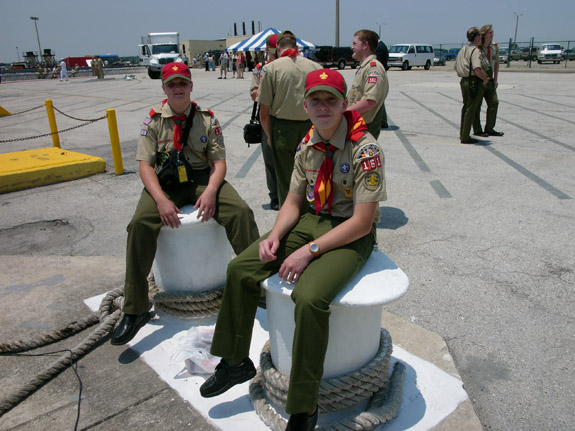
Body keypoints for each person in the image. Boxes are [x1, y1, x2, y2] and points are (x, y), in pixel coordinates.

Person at [200, 69, 387, 431]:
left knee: (310, 296)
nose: (322, 106)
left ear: (344, 103)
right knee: (241, 268)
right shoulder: (308, 142)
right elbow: (292, 200)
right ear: (305, 105)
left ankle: (304, 406)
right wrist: (275, 235)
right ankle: (235, 361)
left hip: (348, 233)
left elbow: (363, 222)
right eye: (315, 100)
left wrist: (310, 251)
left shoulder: (366, 149)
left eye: (330, 99)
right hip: (311, 220)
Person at [110, 63, 260, 346]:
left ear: (191, 86)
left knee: (240, 212)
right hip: (165, 183)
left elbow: (219, 162)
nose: (178, 88)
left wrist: (212, 190)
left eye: (183, 83)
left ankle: (257, 285)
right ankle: (135, 308)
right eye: (172, 84)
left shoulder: (207, 120)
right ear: (164, 88)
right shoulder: (153, 122)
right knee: (140, 223)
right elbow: (145, 166)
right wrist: (161, 200)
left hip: (201, 178)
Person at [258, 30, 321, 206]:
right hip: (311, 128)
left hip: (282, 130)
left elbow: (264, 111)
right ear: (297, 46)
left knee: (285, 177)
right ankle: (312, 208)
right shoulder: (315, 67)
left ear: (277, 46)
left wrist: (270, 136)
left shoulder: (271, 69)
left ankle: (289, 214)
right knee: (311, 172)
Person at [250, 34, 279, 211]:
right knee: (270, 159)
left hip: (286, 116)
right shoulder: (260, 69)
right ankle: (275, 195)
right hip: (267, 116)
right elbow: (254, 94)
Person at [347, 29, 389, 139]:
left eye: (355, 43)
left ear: (365, 45)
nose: (352, 47)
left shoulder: (374, 69)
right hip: (357, 126)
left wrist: (342, 113)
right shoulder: (365, 67)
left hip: (365, 129)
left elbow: (369, 101)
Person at [455, 27, 489, 144]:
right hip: (473, 81)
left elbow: (456, 67)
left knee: (465, 108)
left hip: (464, 81)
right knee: (471, 109)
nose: (481, 37)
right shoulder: (475, 51)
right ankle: (465, 136)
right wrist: (485, 78)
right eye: (479, 35)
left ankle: (463, 133)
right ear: (476, 37)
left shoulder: (463, 49)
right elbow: (477, 68)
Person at [473, 24, 504, 137]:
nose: (492, 35)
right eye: (490, 33)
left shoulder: (494, 47)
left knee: (494, 102)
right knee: (477, 105)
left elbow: (496, 64)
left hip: (489, 80)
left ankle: (490, 128)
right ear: (484, 35)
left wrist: (495, 79)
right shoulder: (478, 48)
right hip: (480, 80)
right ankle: (477, 129)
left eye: (493, 32)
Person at [375, 38, 390, 129]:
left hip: (379, 75)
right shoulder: (382, 45)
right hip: (382, 74)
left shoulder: (379, 47)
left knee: (378, 98)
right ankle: (382, 121)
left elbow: (378, 62)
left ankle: (383, 121)